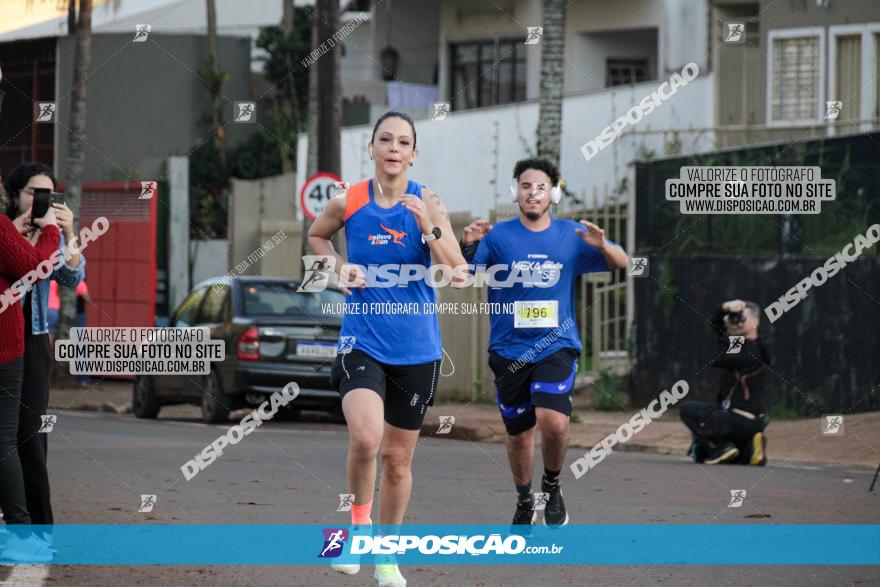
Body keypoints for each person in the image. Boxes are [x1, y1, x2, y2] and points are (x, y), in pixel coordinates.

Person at [308, 111, 464, 587]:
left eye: (403, 142)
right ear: (372, 148)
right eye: (385, 140)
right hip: (363, 340)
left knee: (397, 460)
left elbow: (459, 273)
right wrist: (337, 266)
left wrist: (430, 231)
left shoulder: (428, 202)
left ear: (414, 154)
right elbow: (316, 235)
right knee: (365, 437)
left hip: (417, 349)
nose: (394, 148)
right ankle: (357, 530)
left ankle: (387, 556)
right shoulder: (348, 200)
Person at [459, 158, 628, 528]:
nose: (532, 193)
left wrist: (603, 246)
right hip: (508, 349)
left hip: (556, 344)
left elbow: (621, 261)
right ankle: (524, 498)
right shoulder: (497, 237)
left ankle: (551, 486)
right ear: (515, 191)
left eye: (539, 187)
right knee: (518, 435)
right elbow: (465, 276)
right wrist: (468, 243)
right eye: (525, 186)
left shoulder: (572, 235)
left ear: (552, 192)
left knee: (552, 420)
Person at [3, 163, 86, 546]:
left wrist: (68, 232)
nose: (41, 202)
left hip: (33, 341)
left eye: (48, 196)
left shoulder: (51, 234)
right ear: (14, 195)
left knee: (30, 437)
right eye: (33, 193)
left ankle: (38, 527)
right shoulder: (8, 231)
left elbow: (71, 278)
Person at [0, 178, 60, 562]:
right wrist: (52, 228)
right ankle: (22, 534)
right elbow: (37, 269)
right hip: (5, 349)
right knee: (5, 441)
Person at [679, 299, 771, 465]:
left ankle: (720, 447)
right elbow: (717, 327)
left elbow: (721, 359)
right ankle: (750, 448)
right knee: (737, 458)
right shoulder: (760, 346)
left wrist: (731, 333)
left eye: (743, 318)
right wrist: (723, 309)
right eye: (736, 318)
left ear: (756, 322)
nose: (738, 322)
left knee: (688, 409)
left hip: (733, 420)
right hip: (755, 423)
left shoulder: (748, 349)